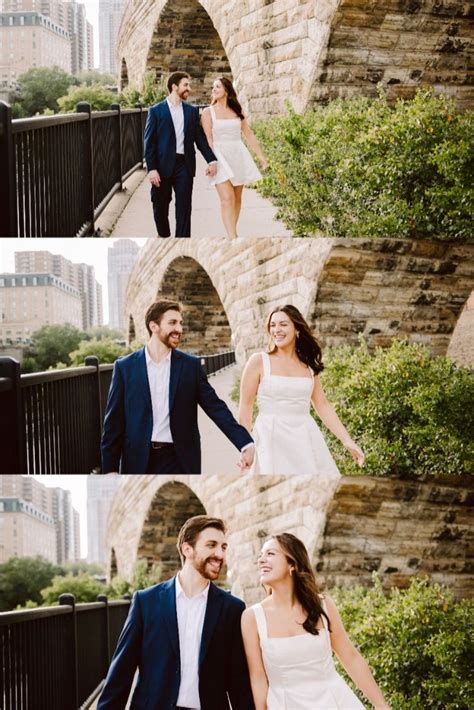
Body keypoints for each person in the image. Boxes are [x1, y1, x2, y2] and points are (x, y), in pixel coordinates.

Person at [98, 515, 255, 710]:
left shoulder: (232, 608)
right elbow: (121, 672)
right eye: (211, 545)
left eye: (223, 547)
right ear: (186, 549)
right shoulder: (146, 602)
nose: (220, 554)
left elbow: (238, 681)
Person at [101, 299, 255, 474]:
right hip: (138, 459)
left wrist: (245, 443)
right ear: (154, 326)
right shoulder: (125, 367)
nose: (179, 329)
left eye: (181, 323)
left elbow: (216, 407)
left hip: (180, 458)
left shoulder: (190, 366)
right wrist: (110, 469)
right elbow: (113, 423)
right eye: (172, 323)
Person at [241, 533, 391, 710]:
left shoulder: (323, 605)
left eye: (270, 554)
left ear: (293, 564)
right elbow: (257, 679)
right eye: (260, 556)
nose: (261, 560)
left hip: (335, 702)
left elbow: (350, 657)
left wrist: (382, 706)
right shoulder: (251, 617)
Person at [238, 304, 364, 475]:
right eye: (272, 325)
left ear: (296, 327)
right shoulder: (259, 361)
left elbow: (322, 405)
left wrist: (347, 440)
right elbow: (246, 406)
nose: (277, 330)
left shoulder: (309, 365)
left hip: (304, 438)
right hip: (269, 438)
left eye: (283, 324)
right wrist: (246, 446)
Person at [144, 71, 218, 238]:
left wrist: (212, 160)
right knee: (160, 205)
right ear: (174, 87)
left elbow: (199, 139)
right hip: (162, 166)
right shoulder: (155, 111)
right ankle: (164, 236)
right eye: (186, 85)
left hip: (184, 165)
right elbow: (149, 143)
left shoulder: (191, 112)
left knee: (184, 208)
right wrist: (152, 168)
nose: (189, 89)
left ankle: (182, 241)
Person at [201, 77, 268, 238]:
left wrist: (261, 156)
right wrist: (211, 161)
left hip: (238, 155)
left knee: (237, 198)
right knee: (227, 198)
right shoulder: (208, 112)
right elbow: (208, 139)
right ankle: (233, 237)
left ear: (227, 90)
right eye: (213, 87)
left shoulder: (237, 111)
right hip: (219, 156)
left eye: (217, 87)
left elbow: (248, 134)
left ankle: (232, 231)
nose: (214, 90)